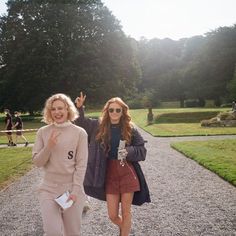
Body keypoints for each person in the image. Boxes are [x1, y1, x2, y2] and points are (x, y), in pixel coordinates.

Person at [75, 92, 150, 236]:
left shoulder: (130, 129)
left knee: (126, 212)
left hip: (127, 172)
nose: (114, 112)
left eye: (118, 110)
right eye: (111, 110)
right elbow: (81, 123)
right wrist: (80, 108)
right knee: (112, 215)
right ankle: (125, 229)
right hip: (109, 173)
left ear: (123, 112)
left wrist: (129, 151)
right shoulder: (98, 126)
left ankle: (124, 233)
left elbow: (142, 150)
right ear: (107, 111)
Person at [32, 93, 88, 236]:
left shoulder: (80, 133)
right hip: (48, 189)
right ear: (49, 112)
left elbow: (81, 165)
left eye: (60, 108)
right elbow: (38, 162)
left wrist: (75, 191)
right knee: (52, 232)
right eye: (53, 109)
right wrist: (49, 146)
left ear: (68, 109)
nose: (57, 112)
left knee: (72, 232)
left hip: (71, 190)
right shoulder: (43, 132)